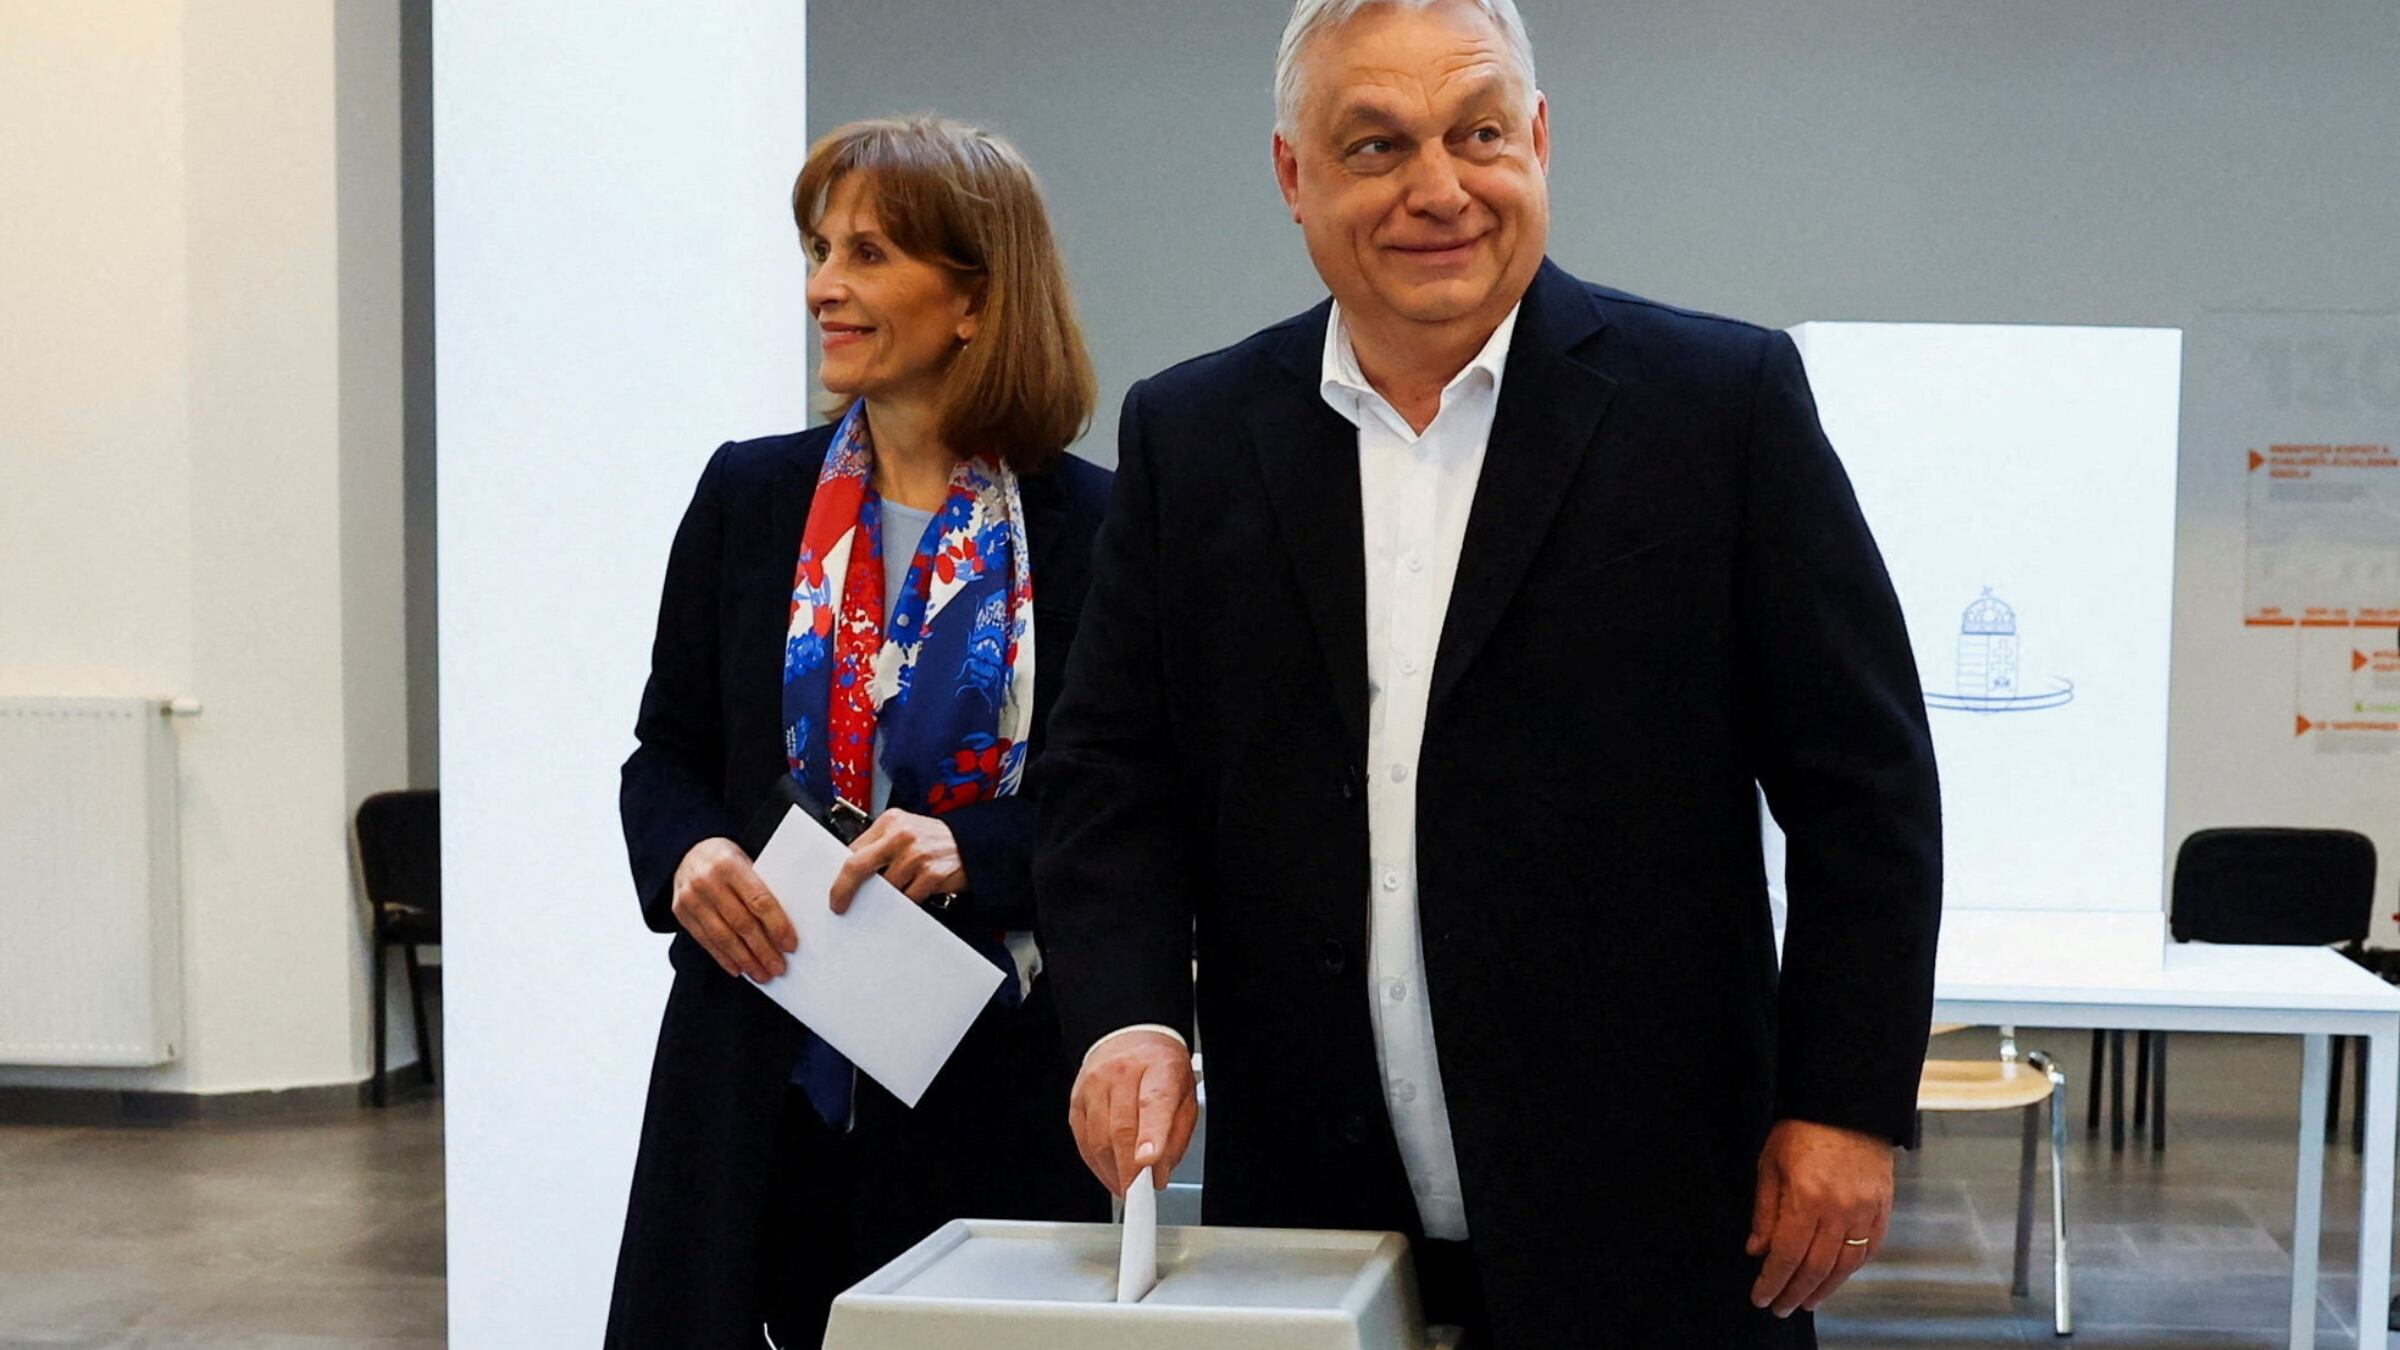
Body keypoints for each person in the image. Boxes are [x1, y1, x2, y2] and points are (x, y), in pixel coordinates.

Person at [1035, 2, 1941, 1346]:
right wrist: (1128, 1017)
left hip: (1653, 1213)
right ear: (1294, 174)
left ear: (1541, 139)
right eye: (1378, 144)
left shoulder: (1718, 407)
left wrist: (1846, 1102)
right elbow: (1111, 773)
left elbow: (1865, 787)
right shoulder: (1197, 436)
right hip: (1317, 1218)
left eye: (1478, 133)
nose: (1439, 189)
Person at [609, 115, 1113, 1349]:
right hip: (752, 1064)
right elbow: (663, 753)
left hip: (986, 1078)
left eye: (870, 253)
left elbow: (1127, 806)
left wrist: (972, 852)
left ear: (974, 302)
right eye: (820, 248)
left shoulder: (1097, 530)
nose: (824, 285)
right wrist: (687, 857)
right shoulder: (747, 495)